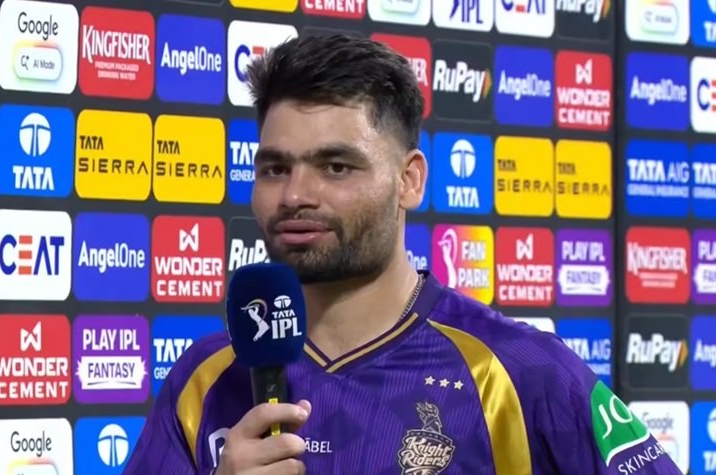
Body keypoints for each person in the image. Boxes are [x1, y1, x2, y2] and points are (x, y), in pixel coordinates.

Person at [124, 35, 682, 475]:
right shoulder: (205, 379)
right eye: (275, 168)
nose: (294, 195)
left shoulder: (524, 374)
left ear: (409, 181)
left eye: (336, 166)